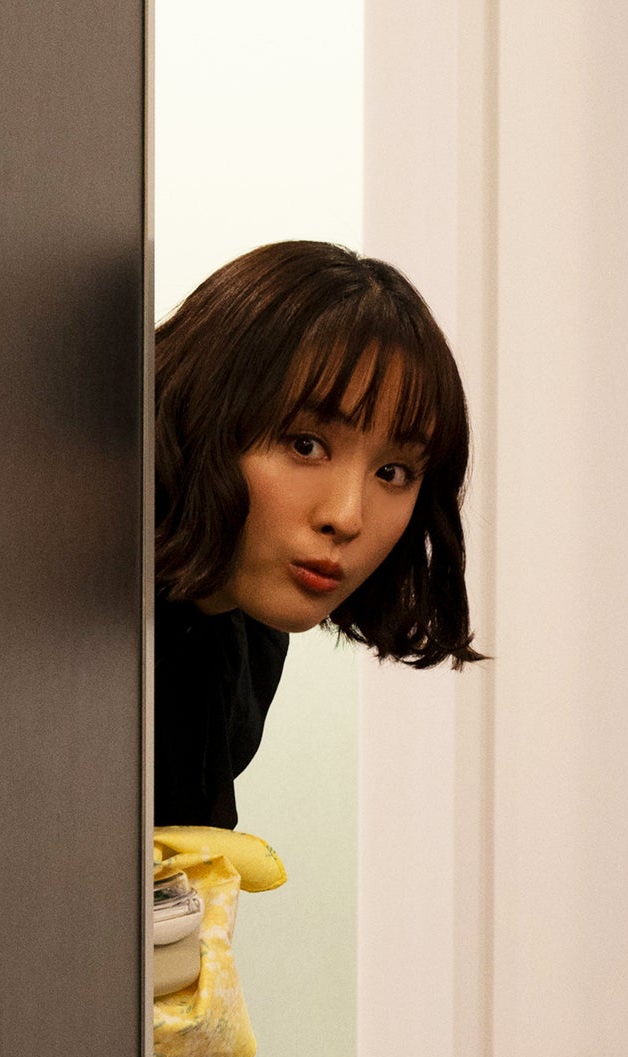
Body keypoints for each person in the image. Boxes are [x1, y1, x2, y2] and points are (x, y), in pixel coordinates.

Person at [153, 240, 484, 829]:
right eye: (305, 445)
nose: (347, 516)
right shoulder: (52, 634)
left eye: (393, 473)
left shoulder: (250, 635)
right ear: (200, 415)